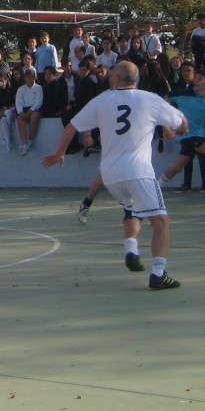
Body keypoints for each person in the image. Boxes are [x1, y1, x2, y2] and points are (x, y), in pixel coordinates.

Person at [43, 61, 189, 290]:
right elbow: (183, 123)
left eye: (112, 75)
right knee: (161, 222)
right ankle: (158, 274)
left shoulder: (102, 100)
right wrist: (178, 130)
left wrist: (60, 152)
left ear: (119, 79)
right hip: (138, 172)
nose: (110, 78)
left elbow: (72, 126)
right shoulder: (149, 98)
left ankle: (131, 249)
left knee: (132, 208)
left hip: (110, 177)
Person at [161, 71, 205, 199]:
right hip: (189, 136)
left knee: (176, 168)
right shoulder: (183, 94)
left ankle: (155, 188)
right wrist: (167, 124)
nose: (196, 81)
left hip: (198, 136)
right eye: (196, 78)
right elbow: (164, 99)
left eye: (200, 79)